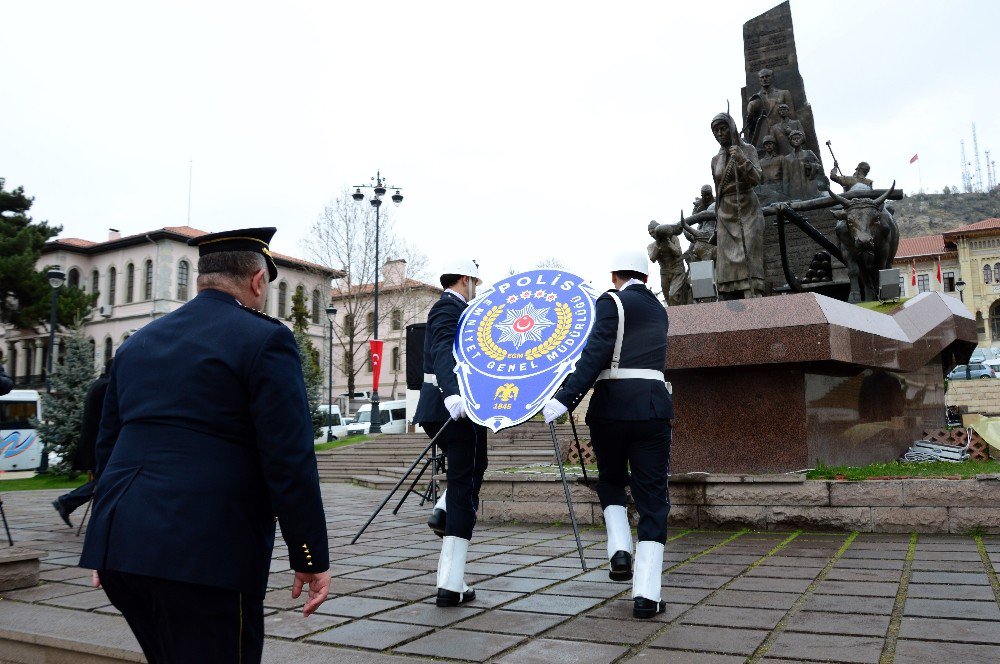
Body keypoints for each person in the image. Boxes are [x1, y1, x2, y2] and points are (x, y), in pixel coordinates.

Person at [79, 228, 330, 663]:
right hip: (205, 551)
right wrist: (308, 553)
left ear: (202, 279)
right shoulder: (265, 339)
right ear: (257, 282)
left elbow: (110, 444)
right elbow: (288, 457)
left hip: (122, 545)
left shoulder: (138, 343)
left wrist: (109, 538)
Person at [542, 250, 673, 619]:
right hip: (652, 409)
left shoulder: (611, 301)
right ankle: (647, 595)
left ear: (615, 274)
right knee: (653, 498)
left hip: (611, 409)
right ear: (645, 277)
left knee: (612, 480)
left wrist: (565, 398)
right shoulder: (659, 310)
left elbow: (595, 354)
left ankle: (619, 549)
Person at [413, 258, 488, 607]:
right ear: (463, 279)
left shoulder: (463, 309)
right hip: (449, 406)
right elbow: (443, 348)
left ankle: (442, 509)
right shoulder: (447, 307)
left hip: (460, 408)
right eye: (476, 280)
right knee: (463, 487)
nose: (479, 287)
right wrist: (452, 392)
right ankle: (450, 582)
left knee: (477, 465)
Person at [711, 112, 767, 299]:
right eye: (716, 131)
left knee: (749, 257)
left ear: (732, 127)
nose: (720, 133)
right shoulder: (714, 160)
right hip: (726, 212)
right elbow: (717, 189)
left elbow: (757, 178)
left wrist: (742, 159)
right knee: (725, 264)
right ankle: (729, 300)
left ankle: (753, 295)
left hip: (747, 209)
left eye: (723, 128)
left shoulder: (748, 149)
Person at [52, 358, 112, 528]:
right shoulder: (107, 386)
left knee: (103, 481)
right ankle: (66, 502)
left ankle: (68, 503)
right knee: (104, 481)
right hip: (99, 443)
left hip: (92, 441)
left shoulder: (98, 384)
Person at [745, 68, 795, 149]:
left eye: (767, 76)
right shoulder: (755, 98)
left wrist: (790, 131)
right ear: (759, 80)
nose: (764, 79)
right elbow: (751, 122)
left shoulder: (784, 93)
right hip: (763, 137)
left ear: (772, 77)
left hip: (782, 133)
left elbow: (791, 115)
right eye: (762, 77)